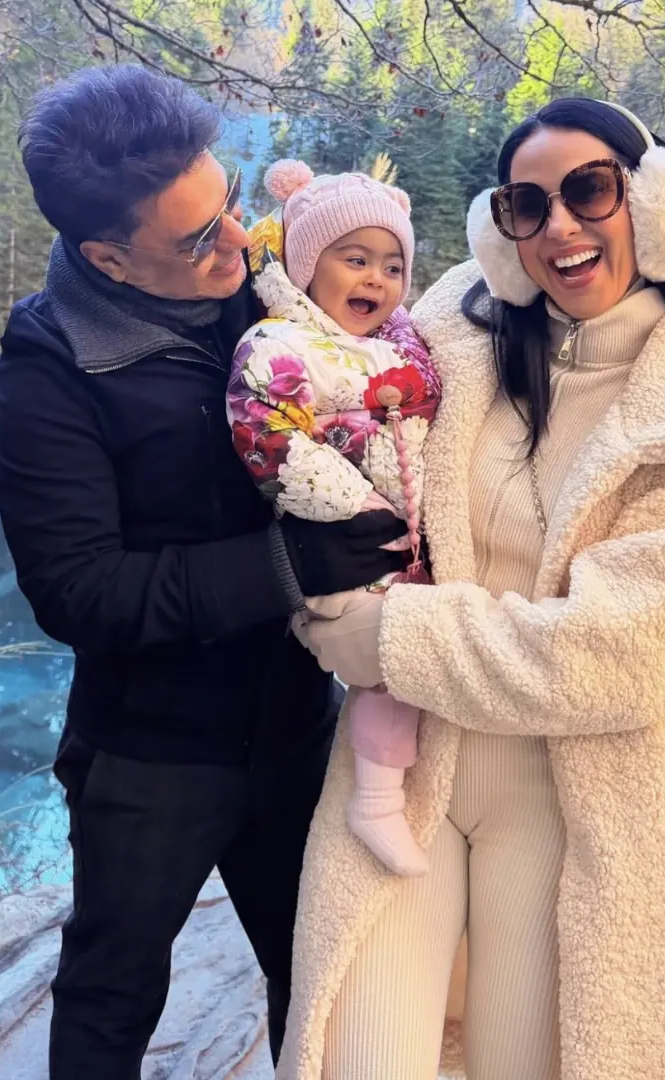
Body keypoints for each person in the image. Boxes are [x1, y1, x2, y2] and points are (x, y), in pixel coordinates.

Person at [274, 97, 665, 1080]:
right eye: (526, 204)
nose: (559, 226)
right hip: (408, 770)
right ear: (498, 229)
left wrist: (385, 639)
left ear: (657, 203)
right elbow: (324, 437)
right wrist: (313, 591)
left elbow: (623, 654)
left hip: (576, 806)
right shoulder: (445, 331)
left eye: (590, 191)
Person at [0, 66, 410, 1078]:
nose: (236, 241)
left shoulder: (266, 290)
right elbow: (77, 591)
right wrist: (287, 566)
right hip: (152, 755)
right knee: (111, 993)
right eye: (194, 239)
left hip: (298, 725)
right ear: (107, 256)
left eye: (230, 203)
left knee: (320, 978)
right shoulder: (52, 365)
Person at [228, 159, 441, 877]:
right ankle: (375, 802)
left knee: (406, 672)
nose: (375, 279)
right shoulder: (275, 345)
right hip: (336, 550)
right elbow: (267, 437)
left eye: (391, 266)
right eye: (354, 260)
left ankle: (384, 794)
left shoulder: (396, 345)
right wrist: (358, 511)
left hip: (403, 551)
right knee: (393, 663)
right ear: (305, 263)